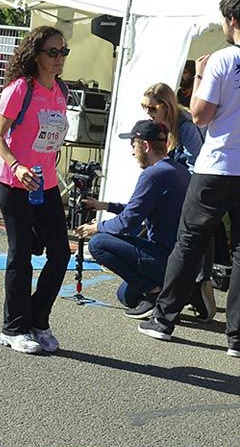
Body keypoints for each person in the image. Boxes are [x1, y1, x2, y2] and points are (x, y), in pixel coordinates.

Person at [139, 0, 240, 358]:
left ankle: (164, 320)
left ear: (230, 21)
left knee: (190, 242)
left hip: (218, 166)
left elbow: (198, 115)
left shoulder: (223, 60)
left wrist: (198, 75)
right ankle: (237, 339)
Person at [0, 26, 72, 354]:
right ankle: (14, 327)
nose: (58, 58)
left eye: (63, 52)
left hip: (47, 182)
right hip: (15, 182)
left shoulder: (61, 91)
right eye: (52, 52)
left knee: (61, 253)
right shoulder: (20, 89)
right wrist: (17, 165)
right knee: (20, 255)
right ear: (36, 54)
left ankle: (38, 319)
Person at [75, 120, 190, 318]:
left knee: (98, 243)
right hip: (182, 260)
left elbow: (128, 222)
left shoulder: (153, 174)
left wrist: (98, 228)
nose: (132, 152)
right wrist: (105, 206)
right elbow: (139, 209)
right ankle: (173, 292)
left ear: (145, 146)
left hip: (165, 258)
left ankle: (156, 294)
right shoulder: (179, 170)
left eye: (133, 146)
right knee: (126, 296)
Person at [141, 82, 203, 170]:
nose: (147, 112)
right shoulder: (158, 127)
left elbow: (194, 165)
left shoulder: (186, 128)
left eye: (152, 108)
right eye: (144, 107)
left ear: (166, 106)